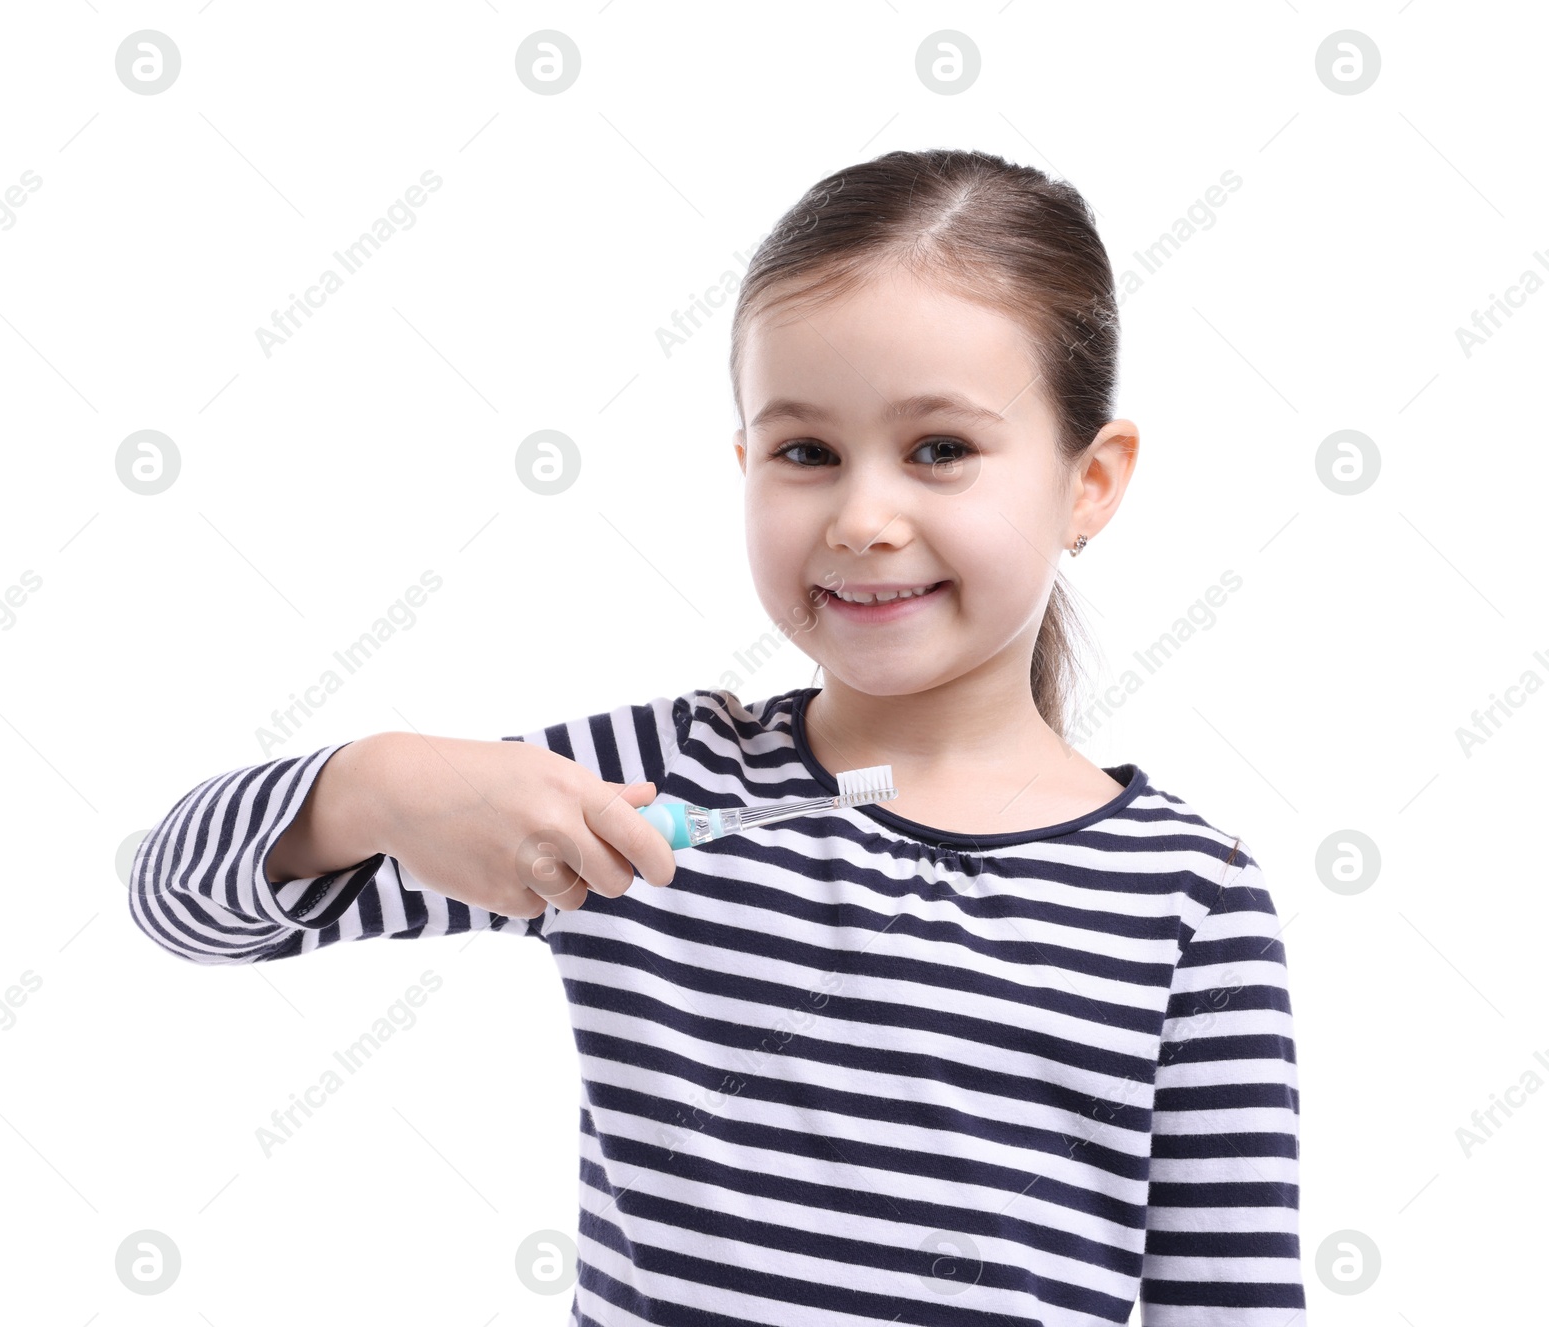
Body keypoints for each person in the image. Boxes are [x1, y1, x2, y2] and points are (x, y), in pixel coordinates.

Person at [130, 147, 1306, 1325]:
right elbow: (175, 899)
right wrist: (377, 786)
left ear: (1090, 481)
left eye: (940, 449)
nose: (862, 518)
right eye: (805, 453)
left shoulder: (1186, 904)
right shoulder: (636, 800)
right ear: (745, 464)